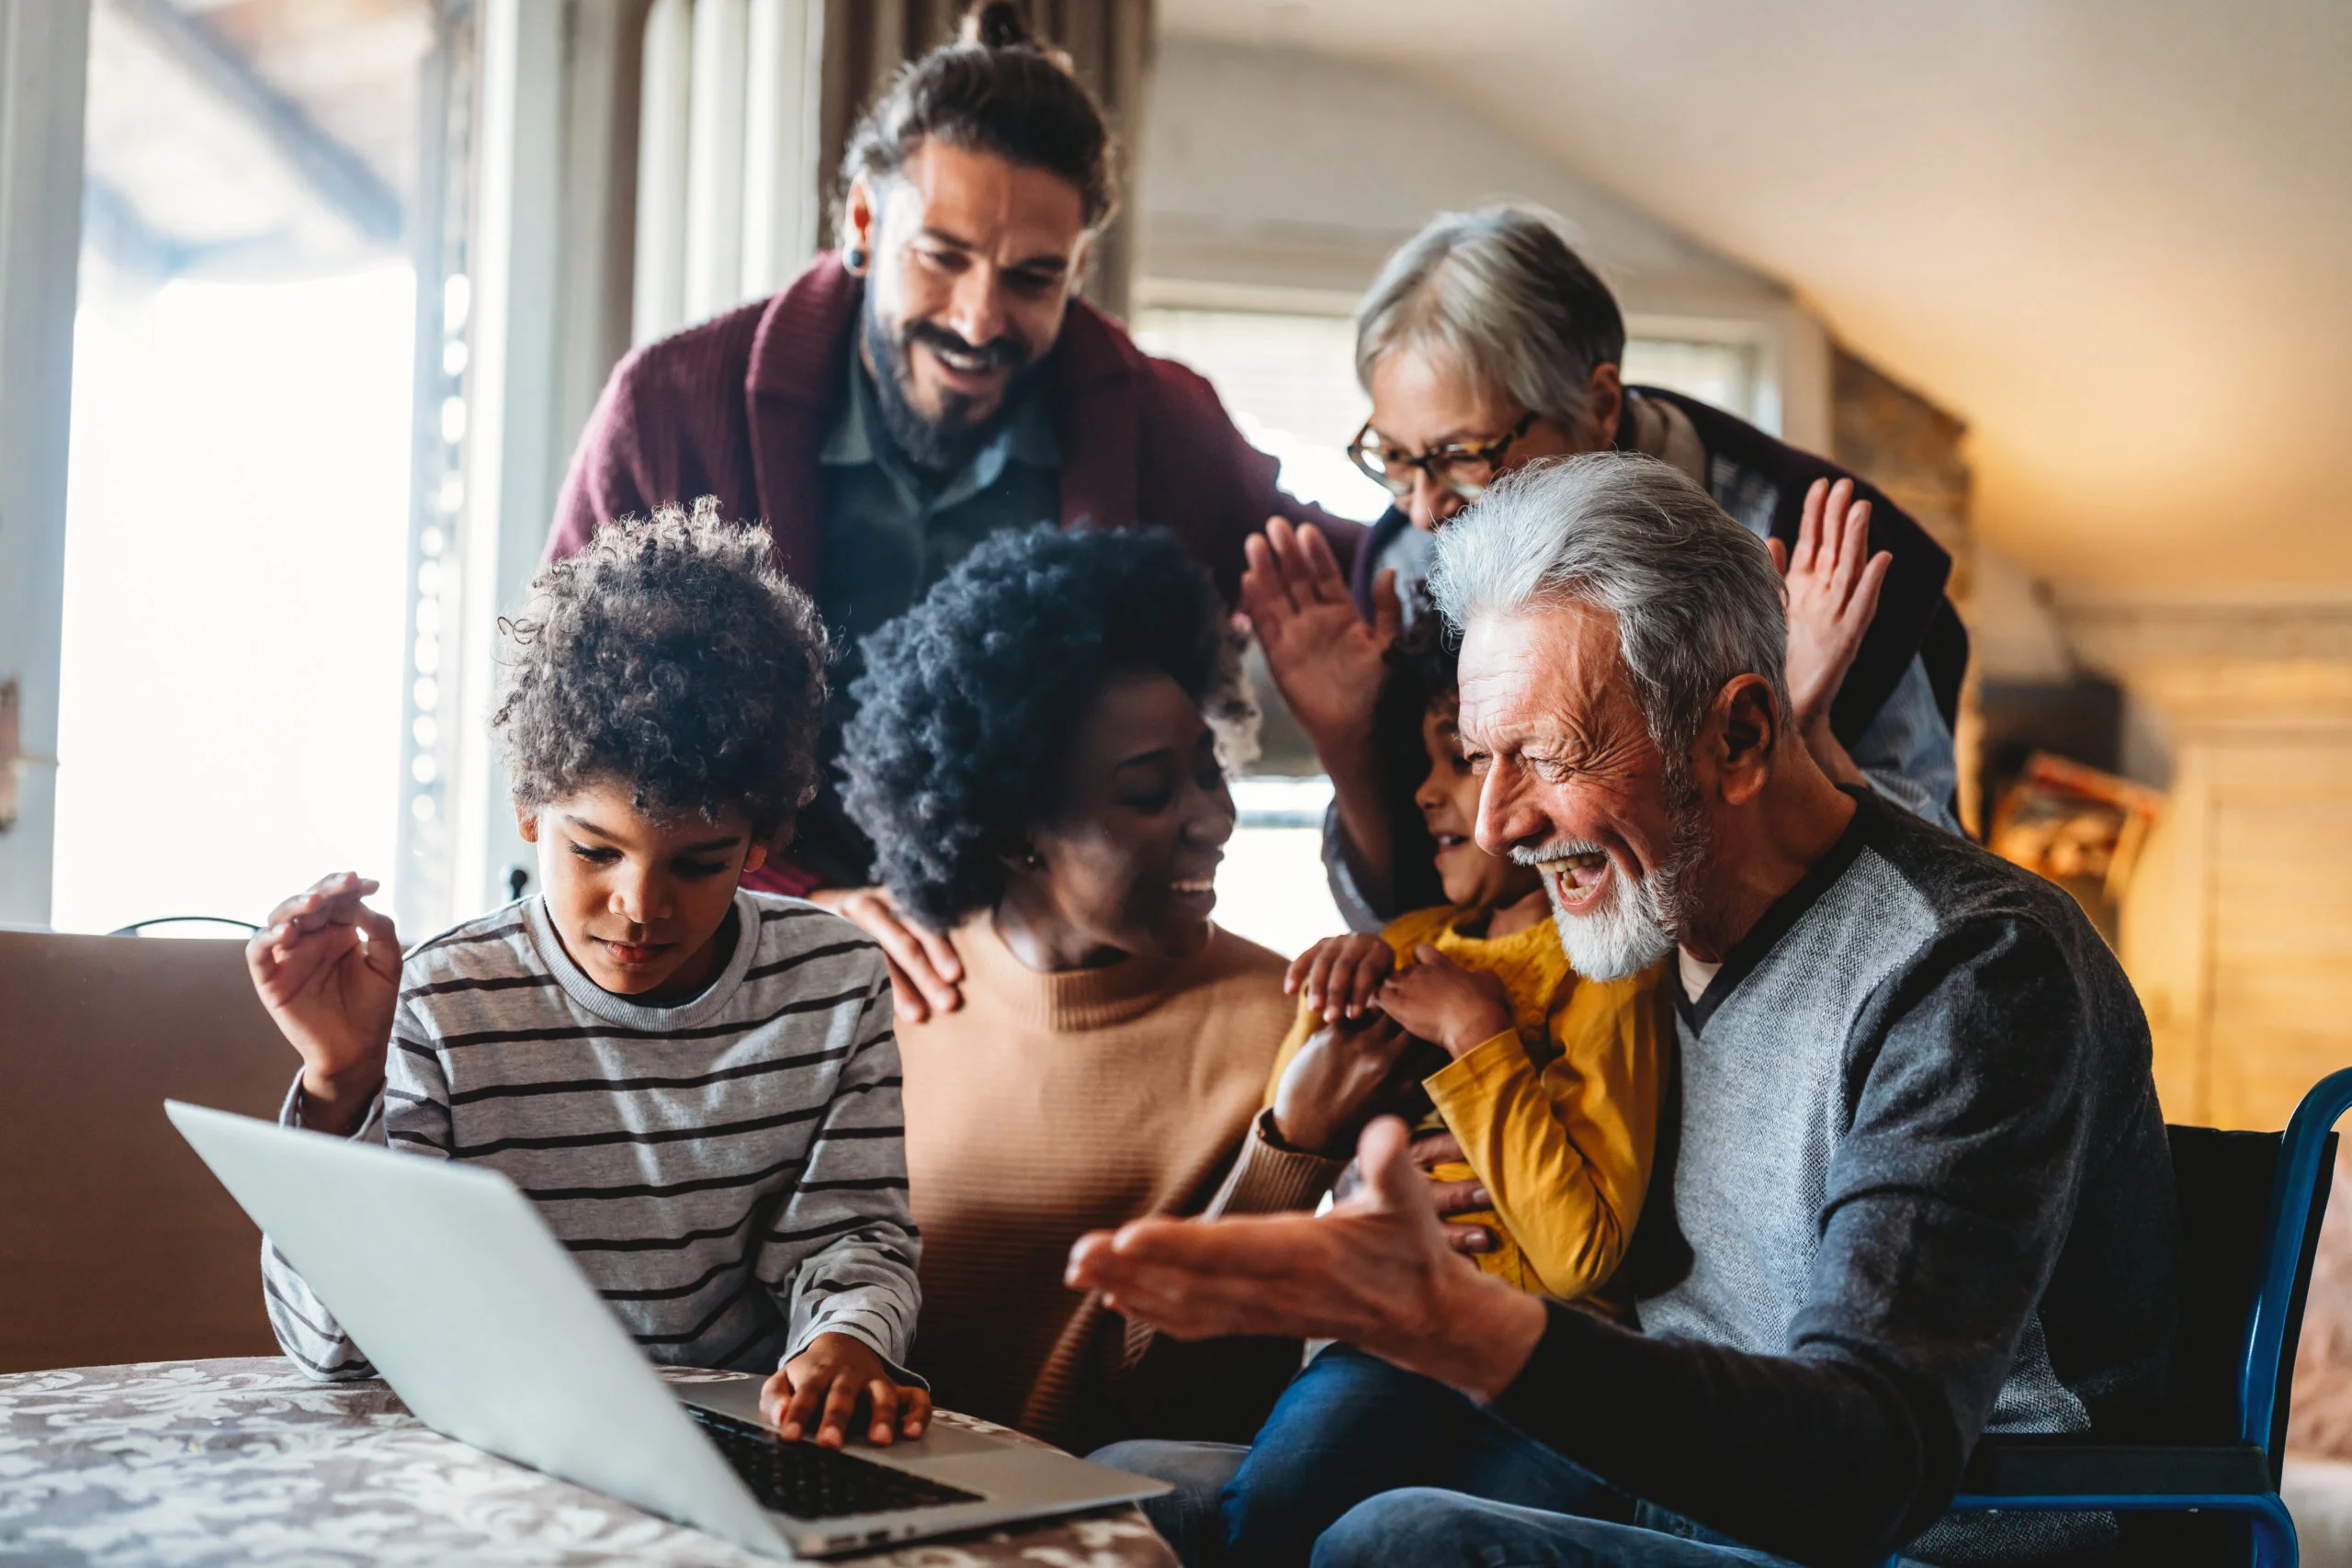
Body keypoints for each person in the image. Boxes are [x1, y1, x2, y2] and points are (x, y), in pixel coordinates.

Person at [1071, 456, 2178, 1568]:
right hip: (1680, 1488)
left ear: (1739, 740)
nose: (1500, 827)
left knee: (1396, 1546)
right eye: (1481, 761)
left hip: (1920, 1539)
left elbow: (1867, 1463)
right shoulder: (1656, 913)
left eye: (1545, 758)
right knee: (1123, 1492)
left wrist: (1465, 1326)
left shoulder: (1971, 969)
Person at [548, 3, 1356, 1013]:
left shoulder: (1159, 417)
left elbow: (1352, 576)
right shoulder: (670, 405)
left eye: (1031, 278)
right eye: (941, 256)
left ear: (1079, 269)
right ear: (860, 224)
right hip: (723, 949)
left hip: (1016, 980)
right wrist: (800, 913)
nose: (979, 319)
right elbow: (572, 743)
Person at [248, 503, 926, 1451]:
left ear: (763, 843)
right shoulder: (444, 1000)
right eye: (597, 851)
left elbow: (850, 1239)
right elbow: (329, 1348)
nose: (640, 906)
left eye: (698, 863)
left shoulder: (832, 982)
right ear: (530, 809)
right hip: (492, 1447)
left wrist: (846, 1341)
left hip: (729, 1442)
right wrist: (341, 1084)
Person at [837, 524, 1416, 1456]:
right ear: (1016, 828)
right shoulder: (885, 987)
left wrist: (1288, 1154)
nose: (1213, 820)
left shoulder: (1296, 1028)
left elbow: (1178, 1431)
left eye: (1209, 769)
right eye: (1149, 794)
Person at [1239, 204, 1970, 932]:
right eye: (1396, 459)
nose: (1425, 509)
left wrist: (1801, 738)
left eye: (1464, 456)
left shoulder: (1811, 544)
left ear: (1598, 404)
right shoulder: (1410, 554)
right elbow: (1427, 893)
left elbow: (1938, 888)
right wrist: (1354, 746)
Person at [1206, 609, 1671, 1567]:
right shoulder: (1408, 942)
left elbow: (1580, 1256)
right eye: (1430, 762)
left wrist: (1477, 1034)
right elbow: (1316, 1139)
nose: (1427, 793)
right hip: (1392, 1343)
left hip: (1558, 1365)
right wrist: (1329, 998)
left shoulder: (1606, 964)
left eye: (1456, 760)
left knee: (1418, 1544)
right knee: (1276, 1508)